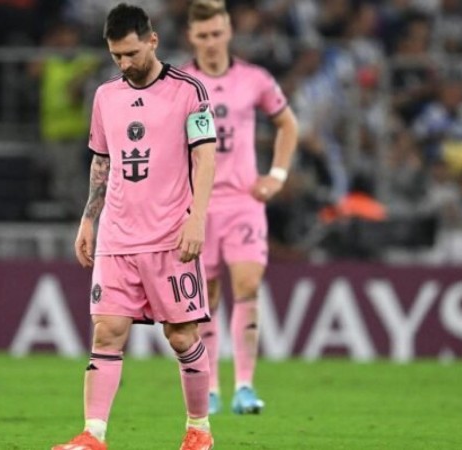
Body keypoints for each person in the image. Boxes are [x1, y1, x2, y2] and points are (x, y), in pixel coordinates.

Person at [52, 4, 217, 450]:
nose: (124, 64)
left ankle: (199, 430)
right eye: (115, 56)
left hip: (170, 236)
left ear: (152, 40)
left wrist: (197, 219)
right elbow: (102, 161)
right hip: (118, 235)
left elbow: (205, 158)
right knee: (106, 331)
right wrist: (89, 218)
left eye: (130, 53)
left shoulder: (190, 90)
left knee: (182, 335)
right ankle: (93, 435)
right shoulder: (106, 96)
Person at [182, 0, 299, 415]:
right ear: (190, 37)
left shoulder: (255, 79)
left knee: (248, 286)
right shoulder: (179, 83)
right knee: (206, 299)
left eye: (216, 33)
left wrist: (277, 176)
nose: (211, 43)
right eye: (202, 36)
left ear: (228, 32)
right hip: (198, 207)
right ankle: (211, 390)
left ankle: (245, 387)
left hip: (244, 202)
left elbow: (288, 124)